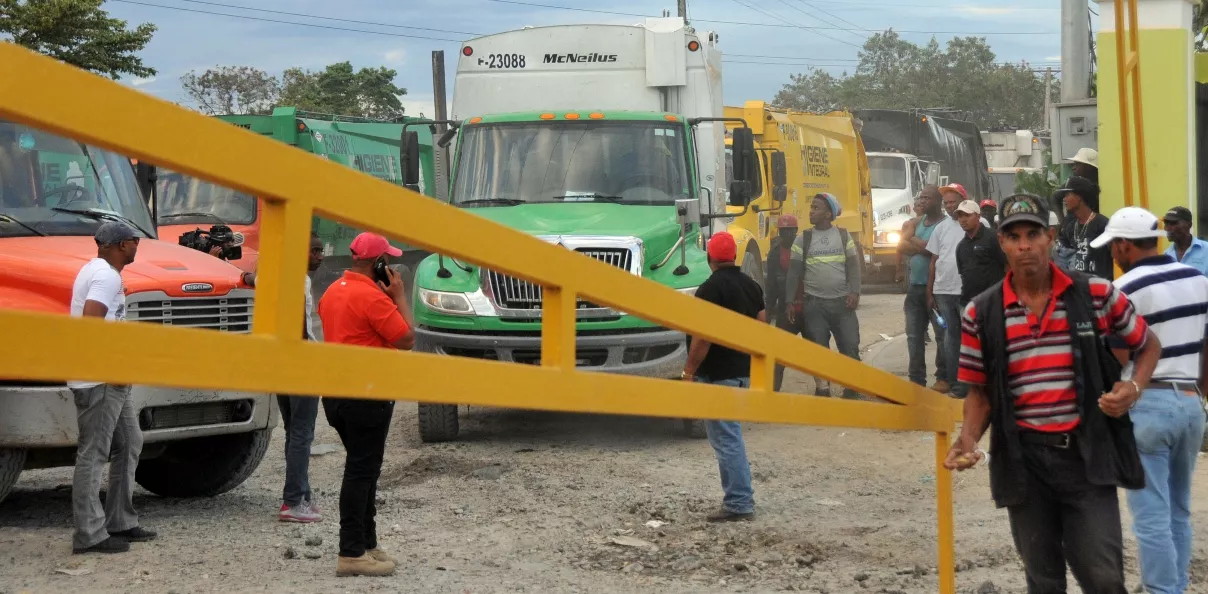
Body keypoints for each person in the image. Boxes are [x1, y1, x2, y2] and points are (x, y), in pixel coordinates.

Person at [946, 194, 1161, 593]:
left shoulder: (1096, 294)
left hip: (1085, 458)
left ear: (1050, 236)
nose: (1024, 246)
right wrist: (969, 437)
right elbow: (979, 392)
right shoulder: (981, 312)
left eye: (1033, 234)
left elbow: (1147, 343)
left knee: (1103, 577)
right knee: (1043, 580)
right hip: (1024, 462)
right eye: (1014, 236)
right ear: (1003, 244)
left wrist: (1133, 386)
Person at [1091, 207, 1208, 594]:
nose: (1112, 254)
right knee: (1178, 511)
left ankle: (1162, 590)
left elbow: (1119, 355)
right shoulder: (1198, 279)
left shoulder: (1125, 290)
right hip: (1190, 402)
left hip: (1146, 403)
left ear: (1124, 245)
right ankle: (1174, 587)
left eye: (1113, 246)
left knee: (1150, 515)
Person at [317, 232, 415, 577]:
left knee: (365, 469)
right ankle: (351, 552)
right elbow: (406, 338)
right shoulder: (373, 298)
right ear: (377, 263)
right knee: (361, 472)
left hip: (336, 397)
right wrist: (400, 295)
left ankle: (367, 545)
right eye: (386, 260)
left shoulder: (332, 292)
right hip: (367, 396)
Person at [69, 222, 157, 554]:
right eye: (135, 243)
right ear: (121, 245)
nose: (137, 248)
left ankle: (120, 520)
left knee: (129, 441)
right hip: (100, 378)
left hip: (108, 377)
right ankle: (89, 534)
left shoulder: (97, 271)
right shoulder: (106, 276)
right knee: (94, 453)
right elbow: (92, 323)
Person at [241, 234, 326, 523]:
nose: (320, 256)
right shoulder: (298, 281)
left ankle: (302, 496)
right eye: (314, 251)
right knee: (302, 433)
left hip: (280, 365)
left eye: (320, 251)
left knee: (294, 432)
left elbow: (254, 280)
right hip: (301, 364)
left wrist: (241, 273)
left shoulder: (275, 277)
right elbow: (300, 331)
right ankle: (293, 502)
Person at [681, 231, 765, 522]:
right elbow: (761, 328)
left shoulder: (709, 289)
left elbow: (702, 338)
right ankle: (740, 499)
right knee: (731, 436)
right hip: (742, 372)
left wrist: (688, 371)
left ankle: (740, 503)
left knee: (727, 440)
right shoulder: (752, 287)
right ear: (734, 257)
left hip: (718, 375)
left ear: (709, 258)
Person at [785, 192, 862, 399]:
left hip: (842, 304)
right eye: (811, 207)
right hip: (814, 305)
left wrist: (854, 292)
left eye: (816, 208)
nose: (811, 211)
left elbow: (854, 268)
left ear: (828, 213)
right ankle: (823, 389)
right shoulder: (803, 238)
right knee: (818, 348)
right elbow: (793, 272)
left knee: (850, 345)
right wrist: (789, 301)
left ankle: (852, 388)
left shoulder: (844, 236)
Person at [899, 187, 948, 387]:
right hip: (914, 288)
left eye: (928, 198)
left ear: (938, 201)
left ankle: (942, 377)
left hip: (937, 290)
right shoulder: (917, 222)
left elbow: (936, 250)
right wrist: (924, 245)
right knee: (913, 335)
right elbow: (901, 246)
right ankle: (916, 380)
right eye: (921, 198)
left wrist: (915, 242)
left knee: (941, 335)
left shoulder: (945, 225)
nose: (923, 201)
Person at [925, 184, 969, 397]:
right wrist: (930, 291)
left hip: (968, 292)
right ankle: (956, 384)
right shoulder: (941, 228)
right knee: (951, 338)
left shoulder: (978, 224)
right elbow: (933, 261)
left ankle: (975, 385)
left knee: (972, 338)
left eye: (954, 202)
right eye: (947, 203)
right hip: (943, 291)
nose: (950, 206)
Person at [766, 214, 803, 391]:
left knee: (818, 349)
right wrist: (767, 310)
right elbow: (771, 285)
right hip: (785, 311)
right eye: (783, 231)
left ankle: (822, 387)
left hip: (807, 308)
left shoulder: (805, 248)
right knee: (778, 354)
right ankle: (773, 391)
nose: (787, 234)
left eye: (790, 230)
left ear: (796, 231)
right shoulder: (774, 253)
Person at [1056, 176, 1114, 280]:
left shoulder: (1103, 224)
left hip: (1101, 286)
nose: (1064, 199)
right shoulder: (1070, 227)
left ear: (1079, 197)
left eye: (1067, 195)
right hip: (1080, 288)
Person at [955, 199, 1007, 306]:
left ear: (978, 216)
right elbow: (964, 276)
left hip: (994, 302)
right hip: (968, 304)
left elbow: (1008, 266)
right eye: (960, 216)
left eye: (967, 215)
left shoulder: (994, 237)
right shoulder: (961, 246)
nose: (963, 220)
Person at [1162, 206, 1208, 276]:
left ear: (1189, 225)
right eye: (1166, 223)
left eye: (1173, 223)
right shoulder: (1166, 256)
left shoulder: (1206, 250)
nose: (1167, 228)